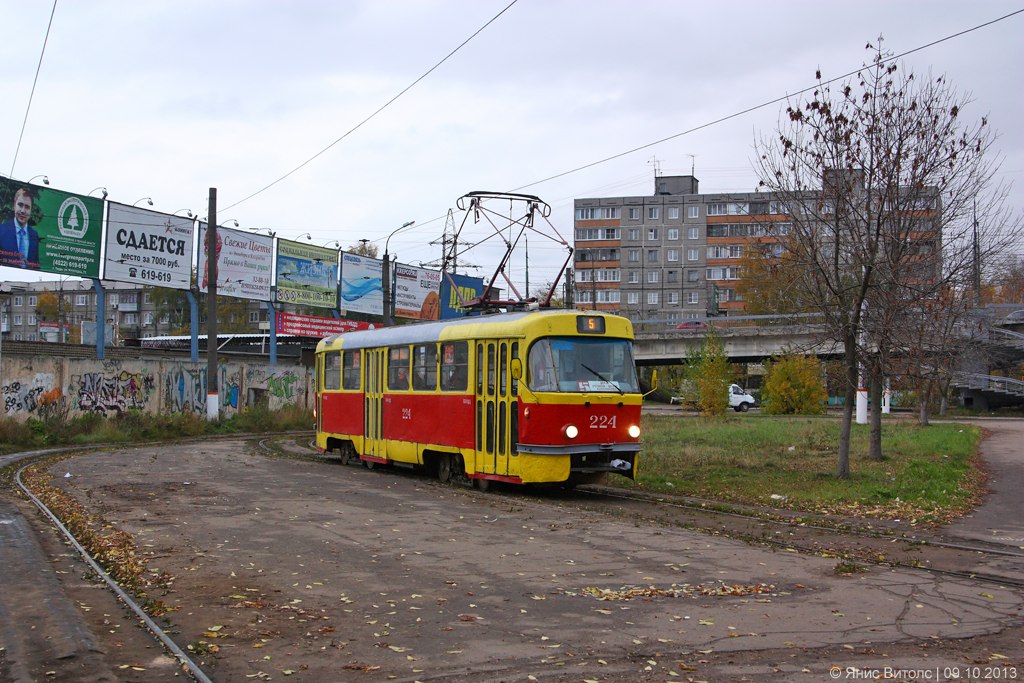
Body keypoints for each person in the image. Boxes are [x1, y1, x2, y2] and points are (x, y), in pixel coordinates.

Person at [0, 188, 41, 269]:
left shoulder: (34, 235)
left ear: (31, 211)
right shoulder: (2, 230)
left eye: (27, 207)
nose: (23, 211)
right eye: (20, 205)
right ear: (14, 205)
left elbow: (35, 265)